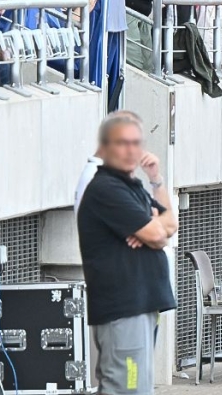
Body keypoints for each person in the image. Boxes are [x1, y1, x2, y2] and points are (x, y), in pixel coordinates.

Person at [77, 111, 177, 395]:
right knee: (128, 388)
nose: (131, 150)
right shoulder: (106, 188)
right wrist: (153, 232)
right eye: (122, 143)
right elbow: (157, 235)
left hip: (142, 305)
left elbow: (170, 225)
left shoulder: (131, 186)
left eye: (136, 143)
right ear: (105, 147)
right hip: (123, 308)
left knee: (138, 388)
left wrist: (156, 179)